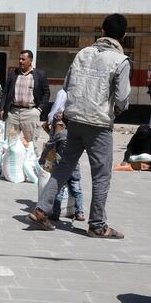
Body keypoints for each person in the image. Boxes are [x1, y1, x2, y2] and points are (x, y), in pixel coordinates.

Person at [29, 13, 131, 238]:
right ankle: (97, 224)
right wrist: (115, 110)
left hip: (74, 119)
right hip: (99, 124)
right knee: (101, 175)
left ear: (102, 31)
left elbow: (67, 85)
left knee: (64, 167)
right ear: (123, 35)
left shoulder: (82, 53)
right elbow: (122, 98)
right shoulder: (120, 61)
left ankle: (41, 209)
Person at [40, 93, 85, 221]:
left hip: (61, 166)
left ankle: (56, 213)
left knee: (59, 191)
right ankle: (80, 212)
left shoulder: (60, 135)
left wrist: (42, 158)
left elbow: (49, 146)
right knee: (76, 190)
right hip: (75, 167)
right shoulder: (78, 135)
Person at [1, 49, 49, 146]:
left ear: (30, 60)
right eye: (19, 59)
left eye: (23, 59)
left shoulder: (39, 75)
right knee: (10, 143)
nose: (20, 61)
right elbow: (5, 92)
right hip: (13, 113)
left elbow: (46, 93)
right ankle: (11, 161)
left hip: (30, 114)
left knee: (31, 144)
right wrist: (2, 108)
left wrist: (39, 109)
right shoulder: (13, 74)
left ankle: (31, 161)